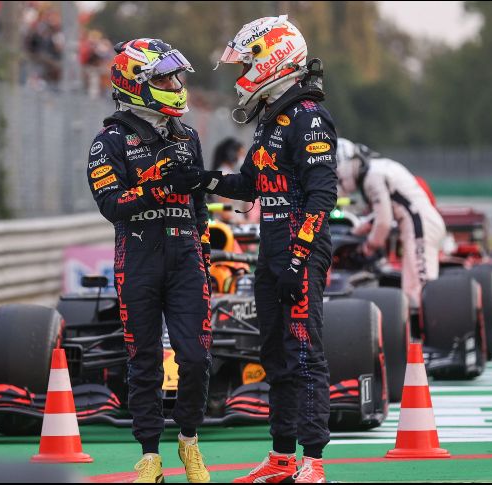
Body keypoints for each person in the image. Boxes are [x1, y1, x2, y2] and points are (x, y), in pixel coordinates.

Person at [164, 15, 336, 483]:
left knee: (305, 353)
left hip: (301, 251)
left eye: (248, 61)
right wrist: (201, 180)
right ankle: (282, 458)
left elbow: (323, 196)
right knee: (275, 355)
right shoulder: (271, 119)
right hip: (273, 250)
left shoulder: (308, 117)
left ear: (275, 58)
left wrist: (298, 259)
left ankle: (314, 462)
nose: (241, 73)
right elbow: (252, 186)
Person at [87, 38, 212, 483]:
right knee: (143, 359)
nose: (176, 85)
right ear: (137, 84)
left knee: (195, 357)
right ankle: (149, 455)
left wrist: (204, 246)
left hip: (185, 258)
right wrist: (155, 188)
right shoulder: (109, 141)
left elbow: (199, 203)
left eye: (176, 76)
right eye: (164, 78)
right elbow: (111, 204)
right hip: (137, 256)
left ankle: (190, 441)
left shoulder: (188, 136)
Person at [335, 138, 446, 309]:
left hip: (420, 228)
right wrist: (357, 231)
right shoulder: (378, 169)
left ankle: (426, 331)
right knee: (414, 287)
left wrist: (367, 247)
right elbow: (381, 214)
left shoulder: (374, 176)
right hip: (421, 225)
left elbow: (383, 223)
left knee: (418, 290)